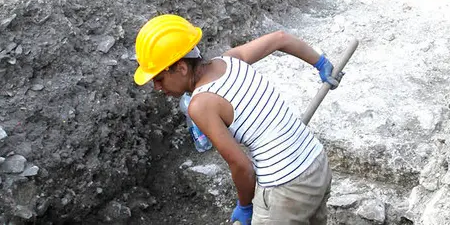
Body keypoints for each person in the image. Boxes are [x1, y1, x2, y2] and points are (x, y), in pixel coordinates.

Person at [133, 14, 338, 225]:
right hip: (316, 163)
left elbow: (242, 167)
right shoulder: (231, 59)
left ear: (182, 68)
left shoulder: (201, 105)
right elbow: (280, 38)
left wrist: (245, 206)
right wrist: (319, 62)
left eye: (159, 78)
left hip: (285, 188)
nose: (157, 87)